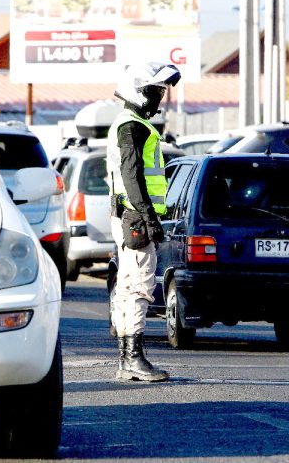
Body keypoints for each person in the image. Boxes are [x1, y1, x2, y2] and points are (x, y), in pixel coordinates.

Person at [107, 62, 181, 382]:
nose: (159, 99)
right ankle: (134, 360)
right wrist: (150, 218)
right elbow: (132, 175)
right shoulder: (132, 126)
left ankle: (127, 360)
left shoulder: (129, 123)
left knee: (127, 287)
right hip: (135, 217)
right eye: (155, 92)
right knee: (138, 287)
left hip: (127, 215)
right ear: (139, 91)